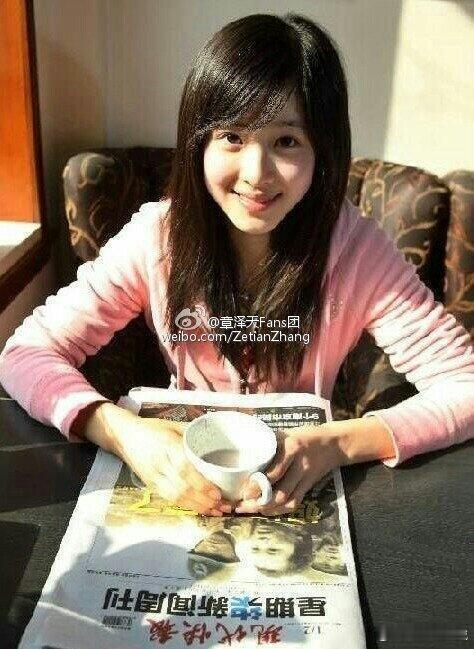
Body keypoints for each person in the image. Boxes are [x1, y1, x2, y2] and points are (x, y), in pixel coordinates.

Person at [0, 14, 472, 519]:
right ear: (198, 142)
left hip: (295, 489)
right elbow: (25, 353)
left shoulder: (357, 250)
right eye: (231, 136)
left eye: (286, 141)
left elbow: (464, 386)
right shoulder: (155, 238)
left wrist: (336, 444)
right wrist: (123, 432)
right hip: (183, 479)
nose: (256, 174)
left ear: (323, 150)